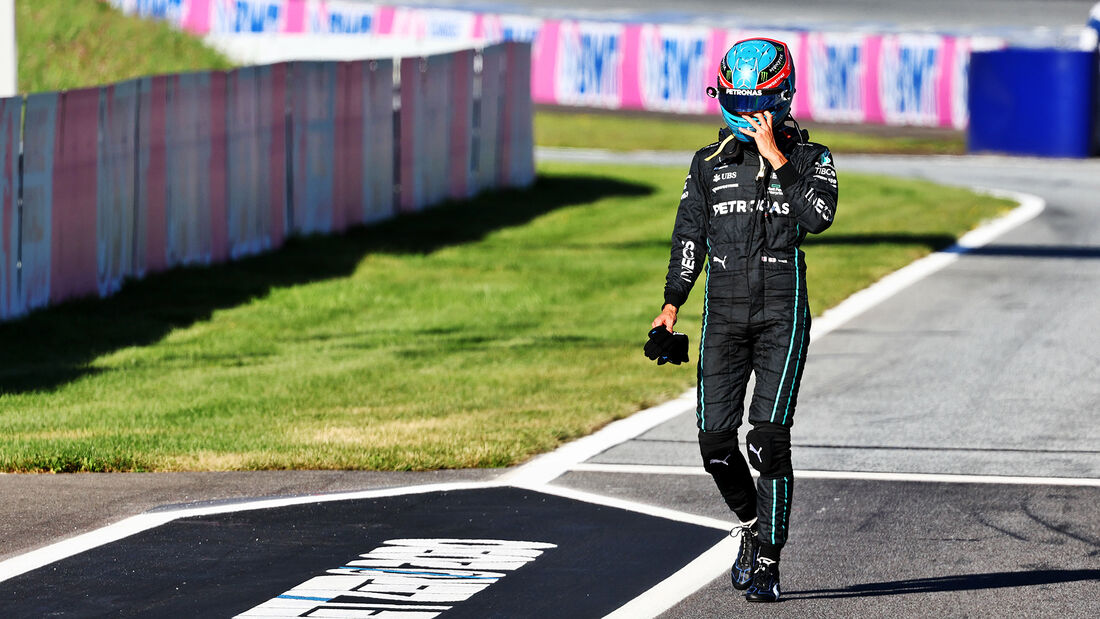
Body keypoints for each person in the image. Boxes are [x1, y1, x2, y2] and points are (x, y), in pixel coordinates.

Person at [650, 37, 837, 603]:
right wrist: (669, 307)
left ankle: (768, 563)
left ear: (781, 97)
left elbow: (819, 217)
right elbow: (689, 236)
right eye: (740, 100)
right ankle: (754, 527)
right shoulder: (706, 164)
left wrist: (775, 156)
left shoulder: (813, 159)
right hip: (724, 315)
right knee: (715, 444)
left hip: (783, 313)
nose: (750, 112)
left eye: (760, 101)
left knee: (768, 442)